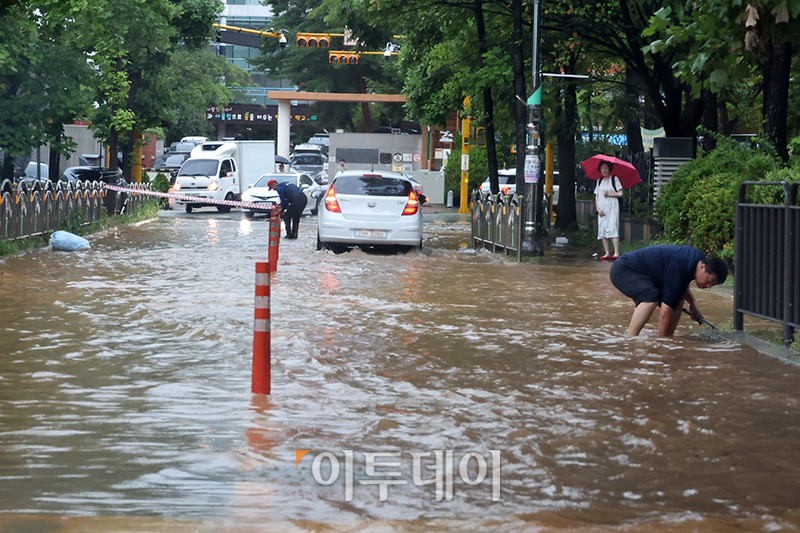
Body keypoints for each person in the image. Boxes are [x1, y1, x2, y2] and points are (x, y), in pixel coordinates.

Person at [610, 245, 728, 337]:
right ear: (702, 267)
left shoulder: (696, 261)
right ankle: (631, 339)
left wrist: (692, 304)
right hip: (623, 270)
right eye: (709, 280)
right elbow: (665, 313)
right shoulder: (682, 264)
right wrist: (663, 347)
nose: (708, 286)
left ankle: (668, 336)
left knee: (678, 300)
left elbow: (681, 285)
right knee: (652, 296)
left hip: (645, 275)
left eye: (713, 285)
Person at [594, 161, 622, 260]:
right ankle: (607, 252)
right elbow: (596, 196)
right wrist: (597, 208)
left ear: (609, 168)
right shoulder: (599, 181)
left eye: (606, 168)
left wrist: (609, 194)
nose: (604, 170)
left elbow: (620, 193)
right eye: (602, 168)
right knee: (602, 229)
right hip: (602, 208)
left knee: (613, 227)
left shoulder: (614, 179)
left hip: (613, 207)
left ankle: (616, 252)